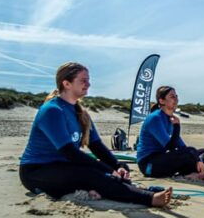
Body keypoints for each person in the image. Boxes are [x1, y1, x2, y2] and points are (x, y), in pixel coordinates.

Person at [19, 62, 172, 207]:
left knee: (105, 173)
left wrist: (117, 165)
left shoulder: (81, 113)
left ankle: (133, 190)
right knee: (91, 174)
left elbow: (96, 146)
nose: (88, 84)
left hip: (63, 166)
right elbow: (70, 152)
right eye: (83, 81)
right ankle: (149, 199)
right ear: (66, 84)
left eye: (88, 80)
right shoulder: (52, 110)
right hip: (36, 172)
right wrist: (107, 169)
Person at [137, 86, 204, 180]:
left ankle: (191, 173)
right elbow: (170, 147)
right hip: (149, 165)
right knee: (190, 152)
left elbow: (182, 147)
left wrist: (197, 158)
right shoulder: (155, 118)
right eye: (172, 97)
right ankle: (191, 173)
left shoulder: (170, 118)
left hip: (163, 159)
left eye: (176, 96)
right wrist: (177, 127)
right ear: (162, 101)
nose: (176, 99)